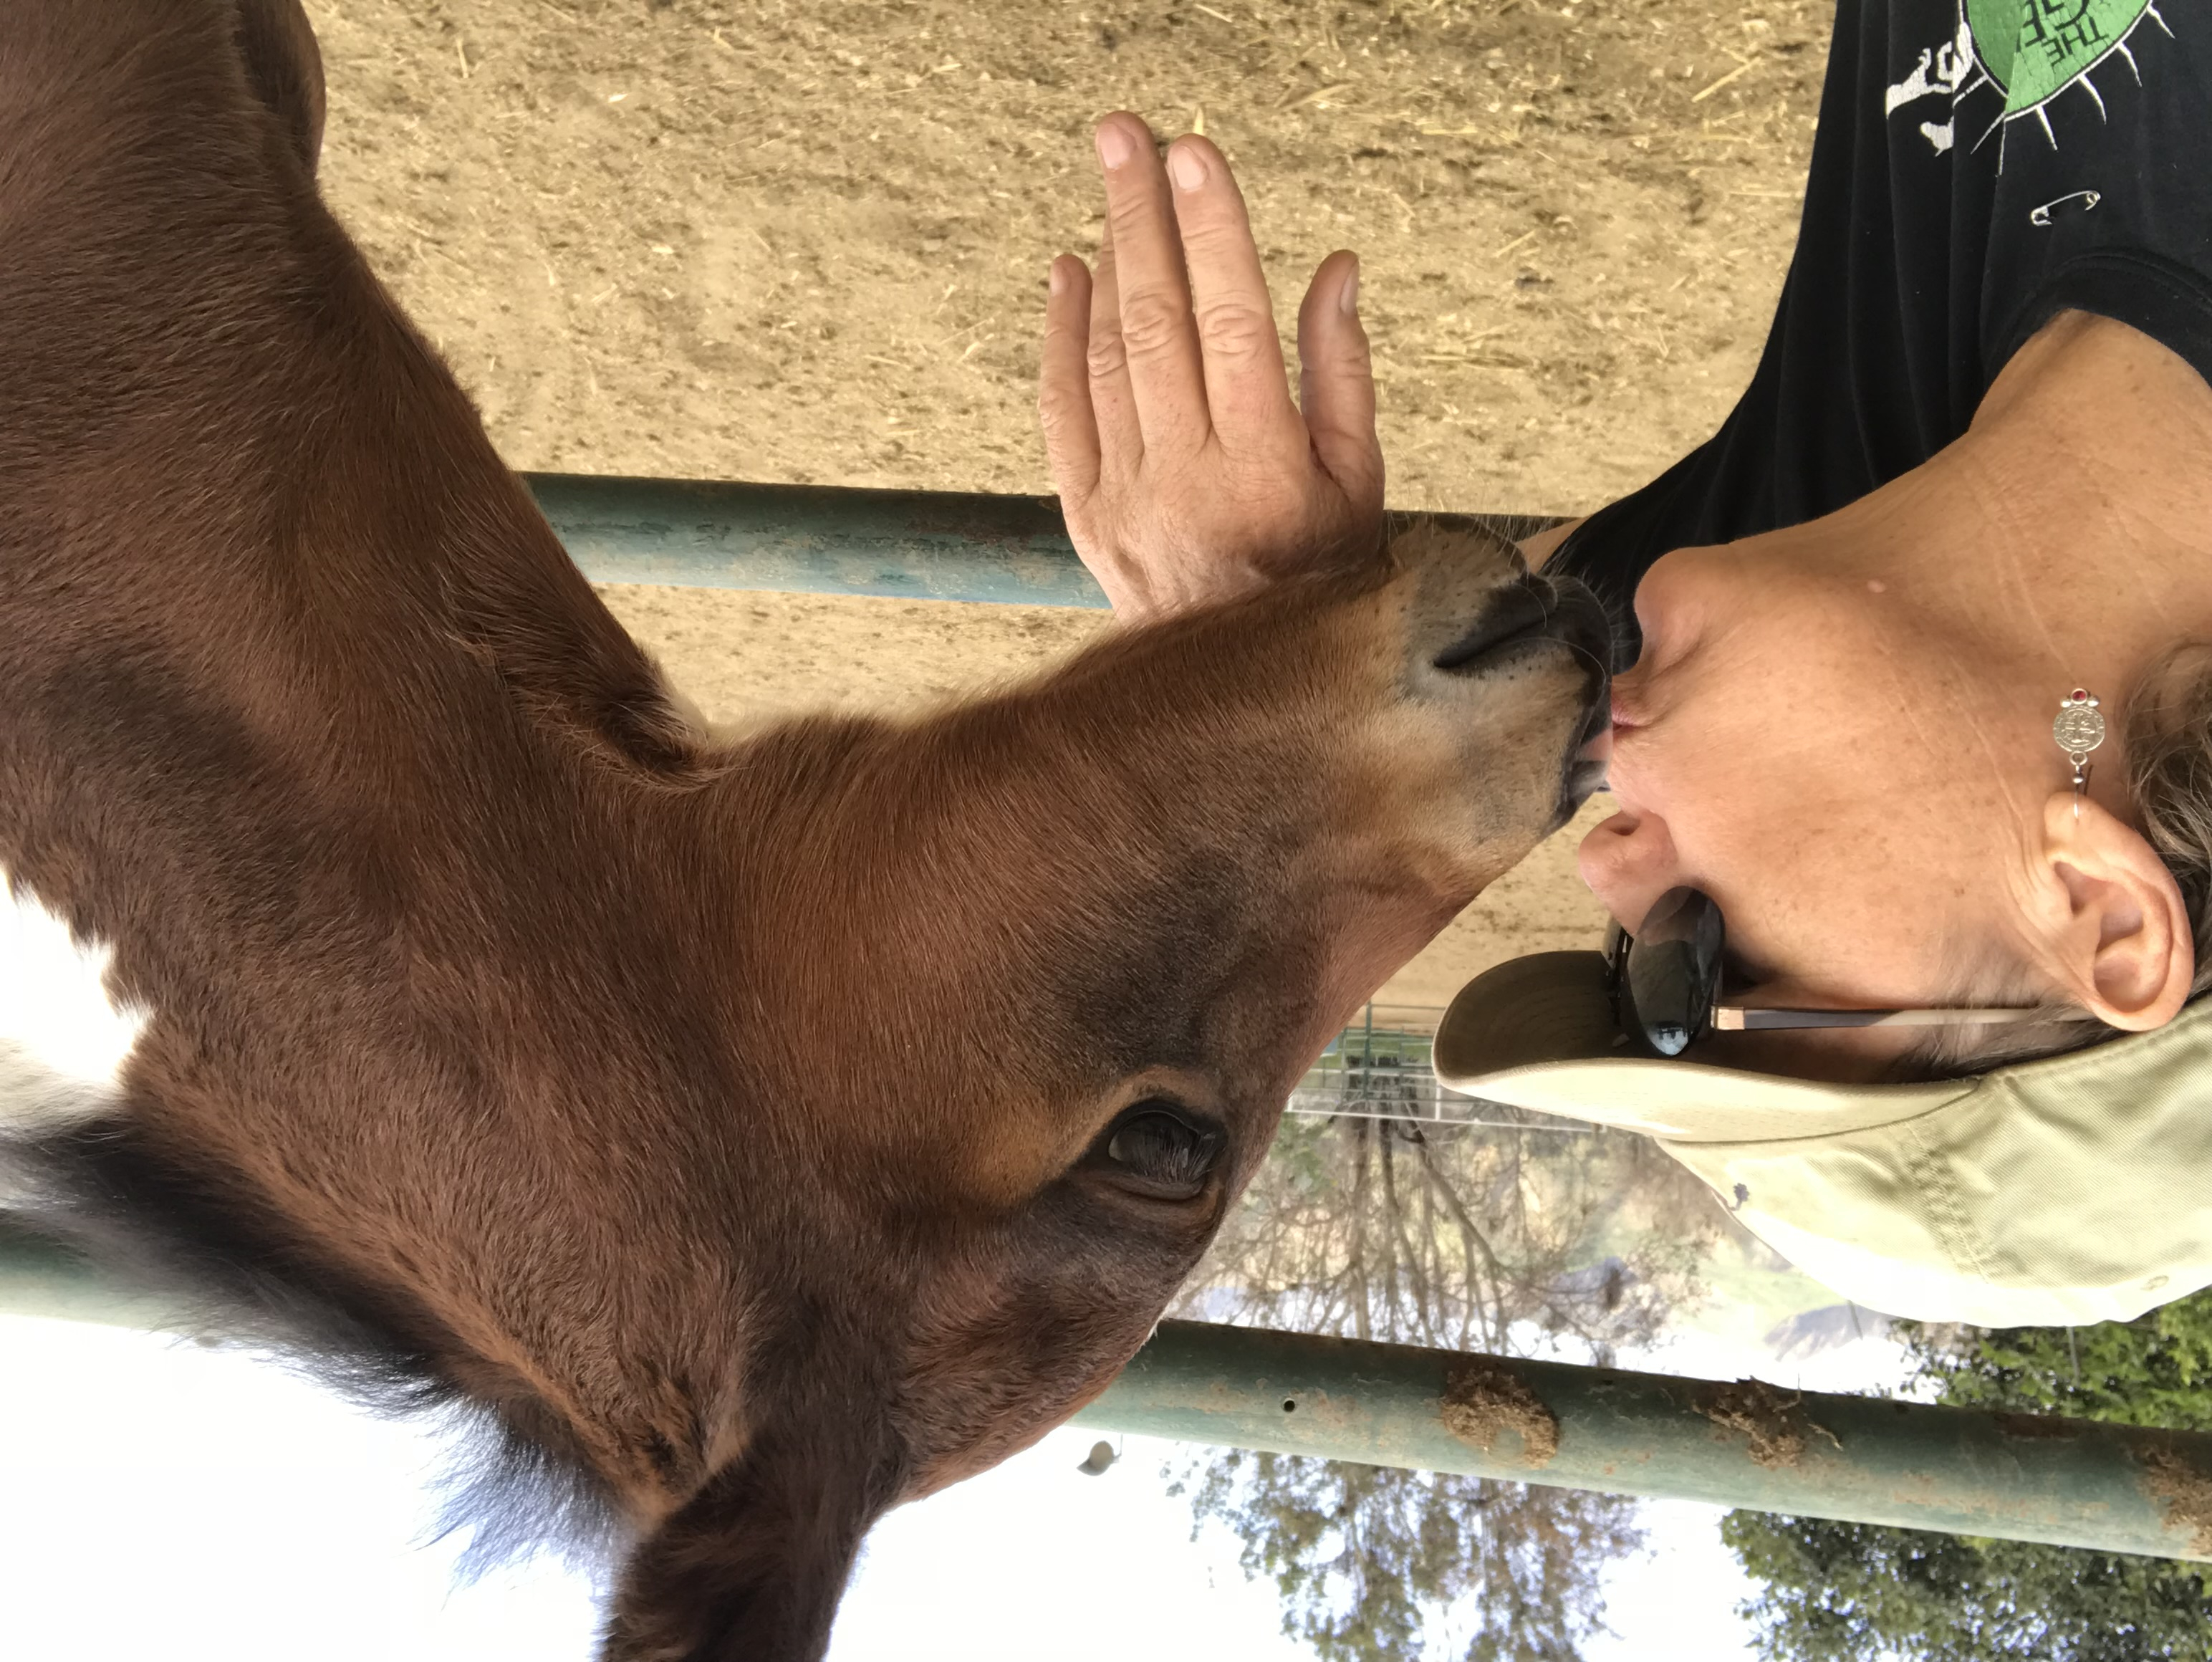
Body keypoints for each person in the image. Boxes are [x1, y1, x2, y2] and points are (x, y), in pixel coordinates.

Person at [1035, 1, 2212, 1325]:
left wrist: (1263, 642)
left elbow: (1406, 649)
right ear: (2099, 915)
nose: (1600, 859)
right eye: (1698, 965)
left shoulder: (1856, 536)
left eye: (1621, 943)